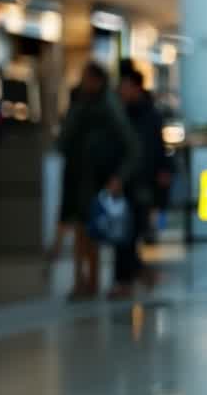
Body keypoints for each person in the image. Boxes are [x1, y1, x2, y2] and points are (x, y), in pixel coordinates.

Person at [56, 63, 140, 300]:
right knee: (81, 228)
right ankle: (82, 281)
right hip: (80, 174)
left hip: (95, 177)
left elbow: (130, 144)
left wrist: (118, 177)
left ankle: (89, 282)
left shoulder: (106, 105)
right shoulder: (83, 102)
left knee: (89, 230)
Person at [112, 67, 168, 297]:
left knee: (130, 231)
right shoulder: (122, 112)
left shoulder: (148, 114)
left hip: (141, 182)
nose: (121, 90)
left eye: (125, 85)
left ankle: (128, 279)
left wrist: (162, 173)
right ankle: (135, 276)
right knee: (124, 232)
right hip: (125, 181)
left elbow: (155, 149)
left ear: (136, 87)